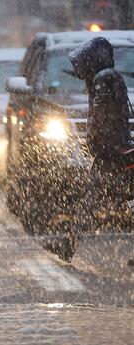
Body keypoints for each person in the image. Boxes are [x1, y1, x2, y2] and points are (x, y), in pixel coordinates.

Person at [43, 37, 132, 262]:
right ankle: (68, 245)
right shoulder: (108, 77)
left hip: (111, 154)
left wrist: (94, 142)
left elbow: (101, 117)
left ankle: (68, 245)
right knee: (101, 202)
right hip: (114, 151)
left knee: (91, 203)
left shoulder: (103, 79)